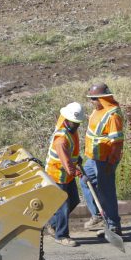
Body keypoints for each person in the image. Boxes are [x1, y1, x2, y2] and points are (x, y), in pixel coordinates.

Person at [80, 83, 124, 236]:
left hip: (105, 159)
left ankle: (113, 225)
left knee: (106, 192)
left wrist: (110, 163)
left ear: (102, 98)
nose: (91, 101)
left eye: (93, 98)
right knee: (86, 181)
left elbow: (117, 142)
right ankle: (99, 215)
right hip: (94, 157)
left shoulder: (113, 116)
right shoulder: (98, 110)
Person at [45, 102, 86, 247]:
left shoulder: (72, 131)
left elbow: (72, 151)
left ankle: (52, 224)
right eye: (74, 123)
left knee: (74, 200)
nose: (76, 126)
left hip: (66, 175)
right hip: (57, 175)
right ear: (67, 120)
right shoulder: (61, 140)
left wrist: (77, 157)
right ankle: (61, 235)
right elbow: (67, 164)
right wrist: (78, 172)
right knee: (64, 206)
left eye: (78, 123)